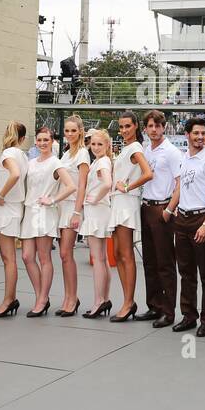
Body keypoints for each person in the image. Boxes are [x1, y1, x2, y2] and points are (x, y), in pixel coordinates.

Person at [169, 118, 205, 335]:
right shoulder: (185, 159)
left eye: (203, 133)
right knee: (186, 272)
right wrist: (171, 210)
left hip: (201, 219)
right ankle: (189, 315)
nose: (200, 137)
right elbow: (181, 188)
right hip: (182, 219)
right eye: (196, 133)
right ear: (187, 135)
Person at [20, 126, 76, 317]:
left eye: (46, 140)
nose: (43, 143)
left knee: (44, 257)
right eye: (40, 140)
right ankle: (40, 296)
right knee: (27, 256)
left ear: (52, 141)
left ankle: (42, 299)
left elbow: (70, 186)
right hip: (29, 211)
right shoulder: (31, 162)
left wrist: (52, 199)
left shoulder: (55, 163)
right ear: (35, 141)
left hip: (44, 213)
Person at [136, 110, 183, 325]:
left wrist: (169, 209)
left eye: (157, 126)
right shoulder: (146, 150)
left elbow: (179, 183)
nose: (153, 130)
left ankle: (169, 310)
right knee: (149, 261)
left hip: (162, 208)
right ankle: (154, 305)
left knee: (165, 262)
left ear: (164, 127)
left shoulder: (171, 152)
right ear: (145, 128)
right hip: (147, 206)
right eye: (150, 126)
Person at [110, 111, 154, 322]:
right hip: (117, 202)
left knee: (126, 254)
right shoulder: (127, 148)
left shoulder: (135, 148)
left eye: (128, 126)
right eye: (121, 127)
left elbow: (148, 173)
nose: (124, 130)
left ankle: (129, 302)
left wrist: (127, 186)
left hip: (126, 202)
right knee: (118, 253)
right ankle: (127, 301)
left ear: (136, 126)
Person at [0, 122, 30, 318]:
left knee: (8, 258)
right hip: (14, 208)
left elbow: (13, 175)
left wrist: (1, 195)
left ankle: (8, 300)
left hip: (7, 208)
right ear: (22, 138)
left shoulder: (8, 154)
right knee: (9, 258)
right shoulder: (22, 155)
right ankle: (10, 298)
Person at [57, 115, 91, 316]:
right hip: (62, 206)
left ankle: (72, 297)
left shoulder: (83, 155)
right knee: (64, 255)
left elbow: (82, 185)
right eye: (67, 131)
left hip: (73, 208)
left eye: (73, 131)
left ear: (80, 131)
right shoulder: (66, 154)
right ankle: (68, 297)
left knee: (65, 253)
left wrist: (77, 212)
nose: (69, 134)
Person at [81, 128, 115, 318]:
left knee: (99, 260)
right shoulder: (101, 161)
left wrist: (94, 199)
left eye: (99, 144)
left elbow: (107, 183)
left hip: (97, 211)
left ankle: (98, 301)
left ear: (107, 145)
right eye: (93, 144)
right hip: (100, 211)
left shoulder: (102, 161)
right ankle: (104, 299)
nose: (95, 147)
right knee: (102, 259)